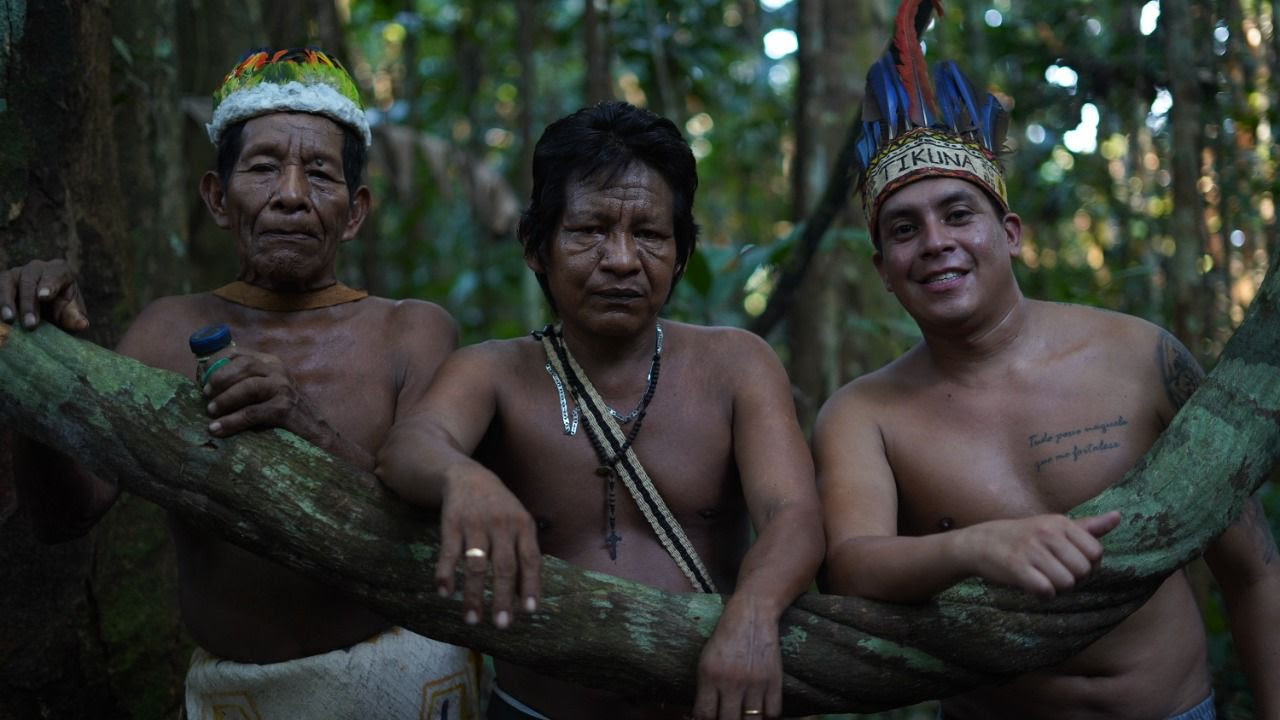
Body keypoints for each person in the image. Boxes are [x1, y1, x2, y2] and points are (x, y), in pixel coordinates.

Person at [814, 10, 1280, 719]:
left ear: (1010, 233)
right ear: (883, 269)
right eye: (904, 230)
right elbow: (851, 564)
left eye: (958, 214)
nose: (935, 242)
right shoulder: (863, 413)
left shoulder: (1138, 356)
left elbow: (1254, 573)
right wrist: (978, 547)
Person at [1, 47, 480, 719]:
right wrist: (34, 362)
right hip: (237, 700)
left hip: (407, 683)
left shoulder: (413, 333)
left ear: (356, 210)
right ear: (217, 199)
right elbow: (64, 518)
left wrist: (305, 424)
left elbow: (432, 545)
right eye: (261, 168)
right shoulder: (168, 332)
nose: (290, 195)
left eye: (319, 173)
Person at [377, 100, 823, 720]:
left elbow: (794, 514)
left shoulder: (737, 366)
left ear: (682, 253)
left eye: (649, 234)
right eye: (589, 232)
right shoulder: (493, 372)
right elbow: (410, 445)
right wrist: (464, 478)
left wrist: (753, 612)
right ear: (537, 247)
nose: (620, 259)